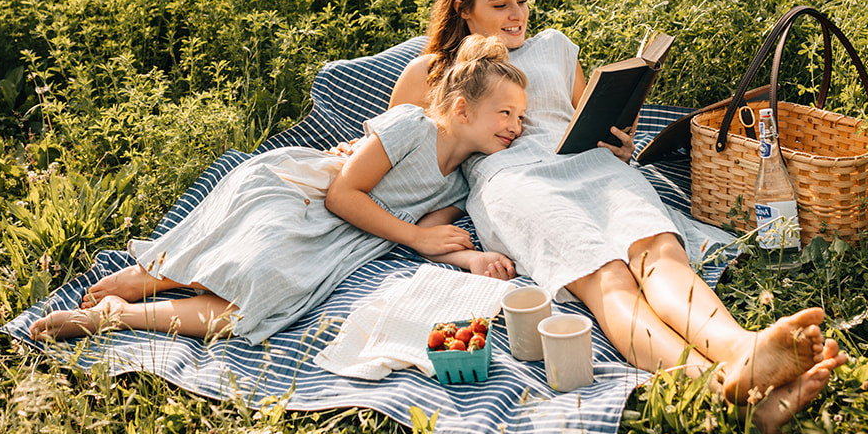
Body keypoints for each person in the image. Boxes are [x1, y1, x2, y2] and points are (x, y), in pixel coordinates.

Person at [390, 0, 846, 434]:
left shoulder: (555, 47)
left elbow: (582, 118)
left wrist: (619, 143)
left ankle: (742, 350)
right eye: (500, 5)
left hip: (590, 164)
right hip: (512, 179)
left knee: (660, 254)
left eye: (522, 0)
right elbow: (405, 146)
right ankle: (720, 390)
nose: (517, 15)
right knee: (610, 280)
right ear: (463, 8)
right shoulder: (432, 71)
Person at [29, 36, 527, 344]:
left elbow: (427, 236)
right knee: (249, 259)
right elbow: (342, 194)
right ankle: (154, 277)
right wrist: (416, 239)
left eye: (521, 117)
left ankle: (121, 316)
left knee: (265, 300)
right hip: (306, 195)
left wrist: (471, 261)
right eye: (505, 114)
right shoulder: (411, 125)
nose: (516, 127)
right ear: (461, 109)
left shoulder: (463, 180)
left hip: (350, 234)